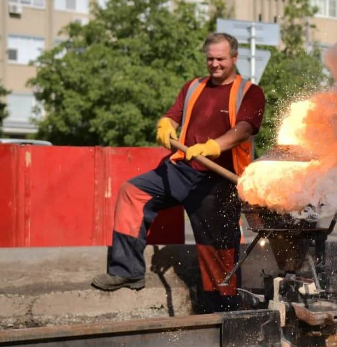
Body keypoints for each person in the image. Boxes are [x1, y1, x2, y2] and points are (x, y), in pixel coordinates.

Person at [91, 32, 265, 312]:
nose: (215, 64)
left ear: (234, 58)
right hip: (181, 168)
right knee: (132, 192)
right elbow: (173, 114)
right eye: (210, 58)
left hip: (219, 181)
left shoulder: (250, 92)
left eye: (221, 58)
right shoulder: (193, 87)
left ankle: (223, 312)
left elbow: (243, 130)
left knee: (217, 251)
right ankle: (127, 270)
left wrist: (212, 146)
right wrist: (165, 123)